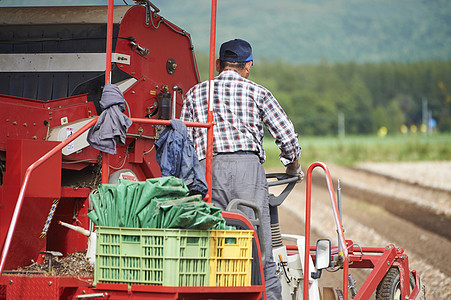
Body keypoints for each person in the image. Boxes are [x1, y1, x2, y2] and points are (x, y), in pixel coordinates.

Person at [180, 38, 303, 300]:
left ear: (218, 64)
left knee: (212, 248)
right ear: (248, 66)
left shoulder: (194, 93)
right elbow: (286, 136)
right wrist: (292, 165)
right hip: (248, 171)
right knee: (259, 252)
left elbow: (184, 143)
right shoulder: (258, 92)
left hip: (207, 171)